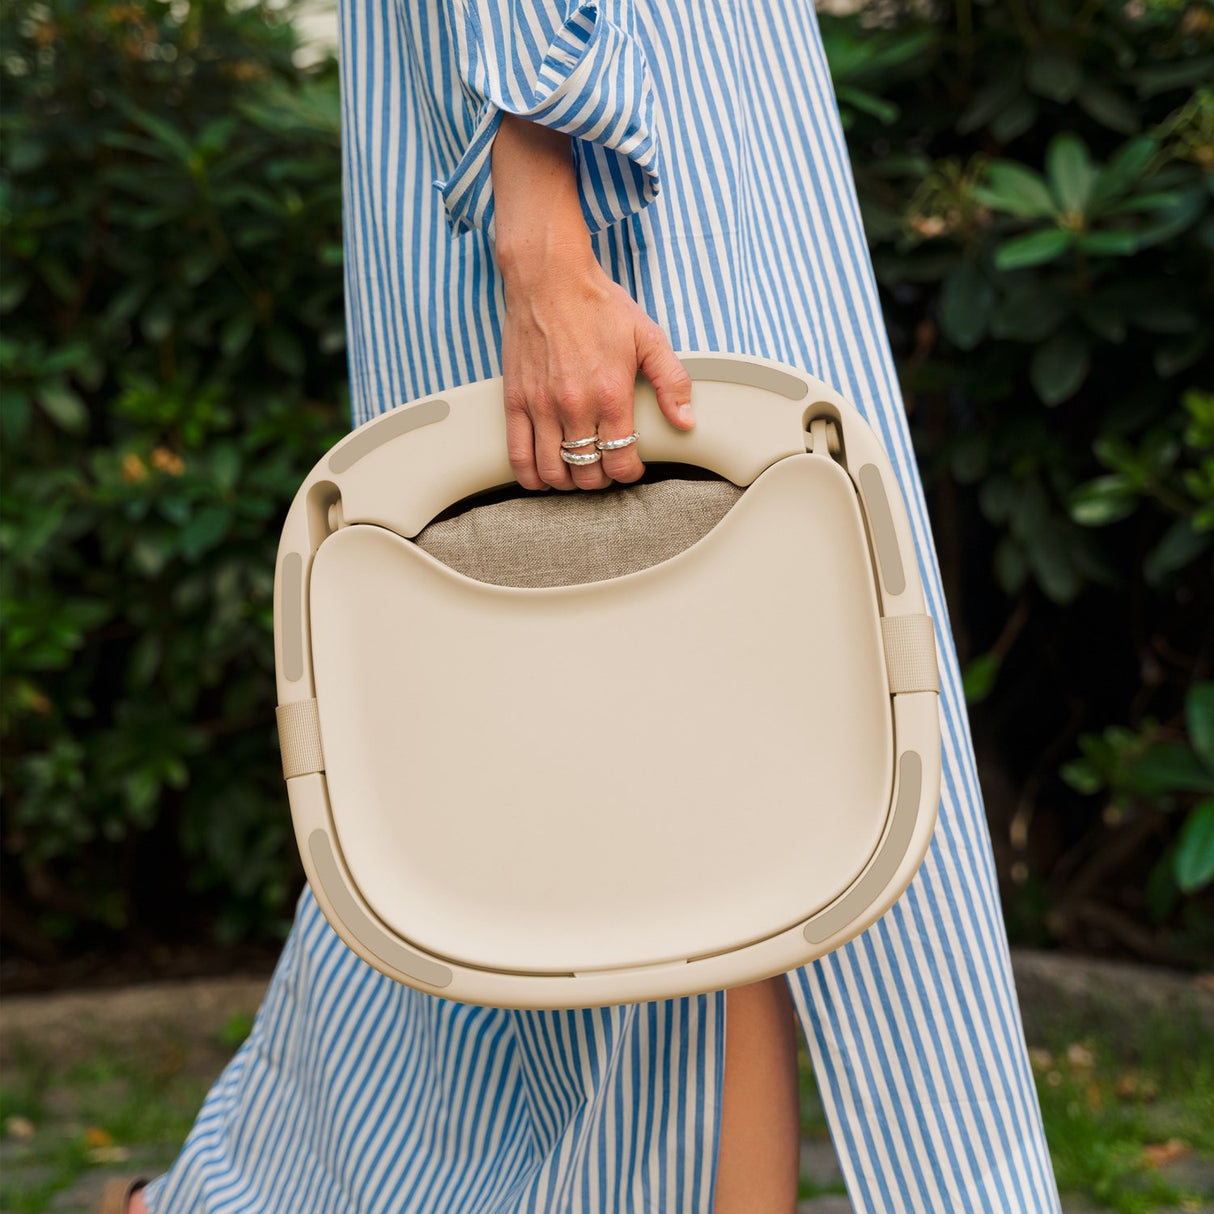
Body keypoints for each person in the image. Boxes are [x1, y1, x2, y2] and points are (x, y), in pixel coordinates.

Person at [105, 1, 1064, 1210]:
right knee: (693, 789)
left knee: (563, 786)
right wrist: (542, 212)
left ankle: (235, 1191)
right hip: (605, 167)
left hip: (650, 129)